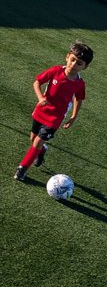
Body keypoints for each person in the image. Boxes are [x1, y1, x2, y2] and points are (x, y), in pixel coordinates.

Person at [14, 40, 94, 182]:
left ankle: (22, 169)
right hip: (41, 110)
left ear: (85, 67)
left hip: (55, 118)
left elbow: (79, 99)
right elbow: (37, 82)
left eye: (79, 63)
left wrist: (73, 116)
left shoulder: (79, 84)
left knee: (37, 141)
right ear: (67, 57)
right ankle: (42, 151)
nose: (74, 64)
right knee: (33, 140)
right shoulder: (56, 71)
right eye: (73, 59)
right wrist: (40, 98)